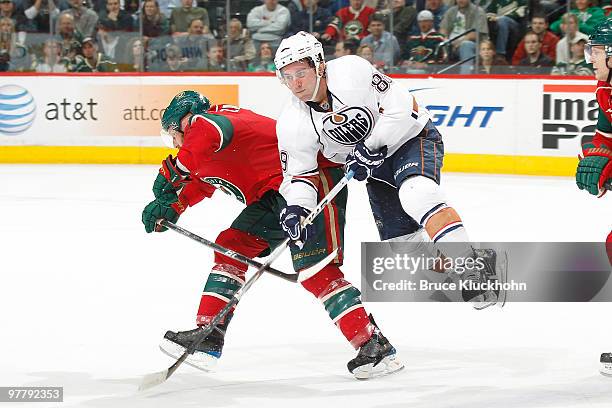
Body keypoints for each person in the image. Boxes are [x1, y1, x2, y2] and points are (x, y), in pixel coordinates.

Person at [273, 31, 505, 376]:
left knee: (417, 194)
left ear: (319, 65)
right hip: (373, 168)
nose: (295, 83)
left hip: (410, 139)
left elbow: (403, 108)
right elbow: (301, 177)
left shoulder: (352, 70)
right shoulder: (292, 122)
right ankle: (458, 267)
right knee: (406, 253)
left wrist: (374, 144)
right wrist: (297, 209)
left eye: (300, 72)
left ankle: (474, 268)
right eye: (287, 76)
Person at [141, 91, 402, 379]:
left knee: (316, 271)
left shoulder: (207, 123)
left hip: (310, 183)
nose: (175, 143)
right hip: (275, 195)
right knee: (231, 246)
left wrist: (170, 173)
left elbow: (202, 140)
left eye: (174, 134)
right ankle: (208, 336)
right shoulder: (204, 144)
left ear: (186, 120)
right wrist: (174, 206)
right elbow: (203, 179)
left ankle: (374, 345)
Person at [578, 19, 612, 377]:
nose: (591, 58)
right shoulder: (605, 89)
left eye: (597, 51)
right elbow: (605, 139)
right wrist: (597, 159)